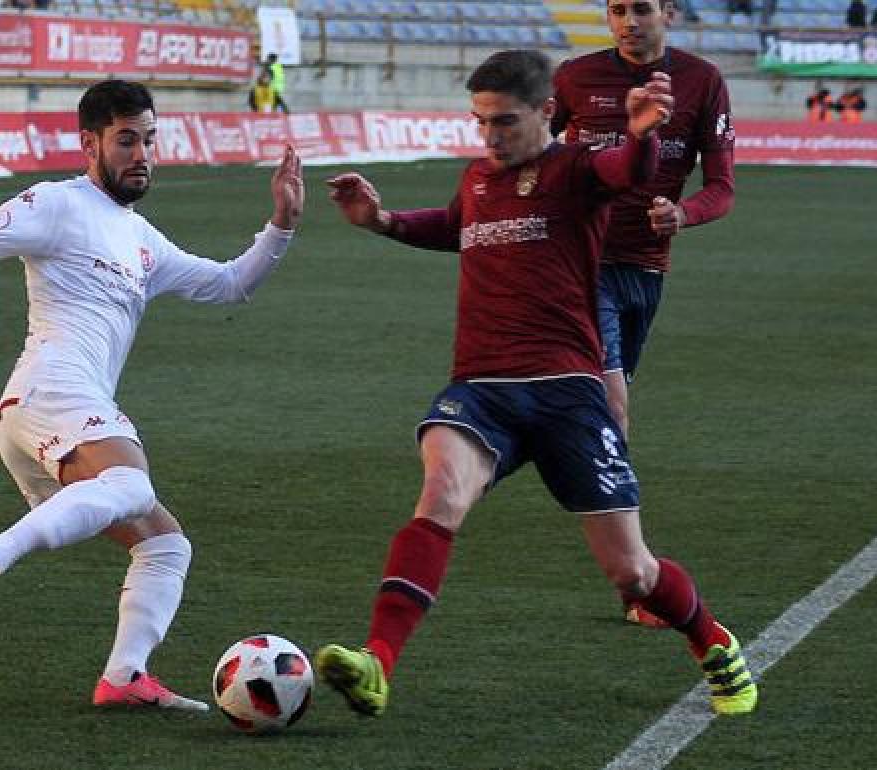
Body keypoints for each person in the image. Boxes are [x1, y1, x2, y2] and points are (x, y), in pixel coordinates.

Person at [315, 49, 757, 720]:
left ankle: (711, 639)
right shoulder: (479, 177)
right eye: (480, 122)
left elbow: (626, 172)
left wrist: (640, 134)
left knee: (631, 573)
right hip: (483, 386)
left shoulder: (578, 171)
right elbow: (458, 224)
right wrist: (382, 221)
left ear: (548, 112)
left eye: (505, 123)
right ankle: (379, 661)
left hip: (566, 392)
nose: (490, 137)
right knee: (439, 491)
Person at [0, 79, 305, 707]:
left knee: (165, 544)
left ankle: (124, 677)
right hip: (51, 391)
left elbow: (228, 285)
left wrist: (282, 226)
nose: (143, 154)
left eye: (150, 140)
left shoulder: (143, 240)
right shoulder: (57, 203)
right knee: (133, 485)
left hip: (49, 415)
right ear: (89, 143)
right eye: (127, 140)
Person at [551, 0, 736, 626]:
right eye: (618, 9)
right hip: (585, 264)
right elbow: (532, 154)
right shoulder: (575, 79)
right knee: (614, 406)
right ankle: (637, 581)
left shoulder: (703, 82)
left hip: (647, 272)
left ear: (670, 13)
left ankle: (552, 447)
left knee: (610, 408)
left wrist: (685, 213)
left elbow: (722, 186)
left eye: (643, 9)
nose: (631, 21)